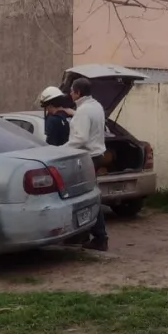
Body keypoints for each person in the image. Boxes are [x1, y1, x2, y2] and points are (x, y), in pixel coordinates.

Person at [66, 78, 109, 251]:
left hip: (87, 157)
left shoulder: (83, 111)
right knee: (86, 196)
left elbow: (81, 138)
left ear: (78, 92)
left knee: (86, 197)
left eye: (71, 90)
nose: (69, 93)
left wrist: (61, 149)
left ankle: (99, 237)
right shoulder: (96, 106)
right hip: (98, 154)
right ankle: (83, 234)